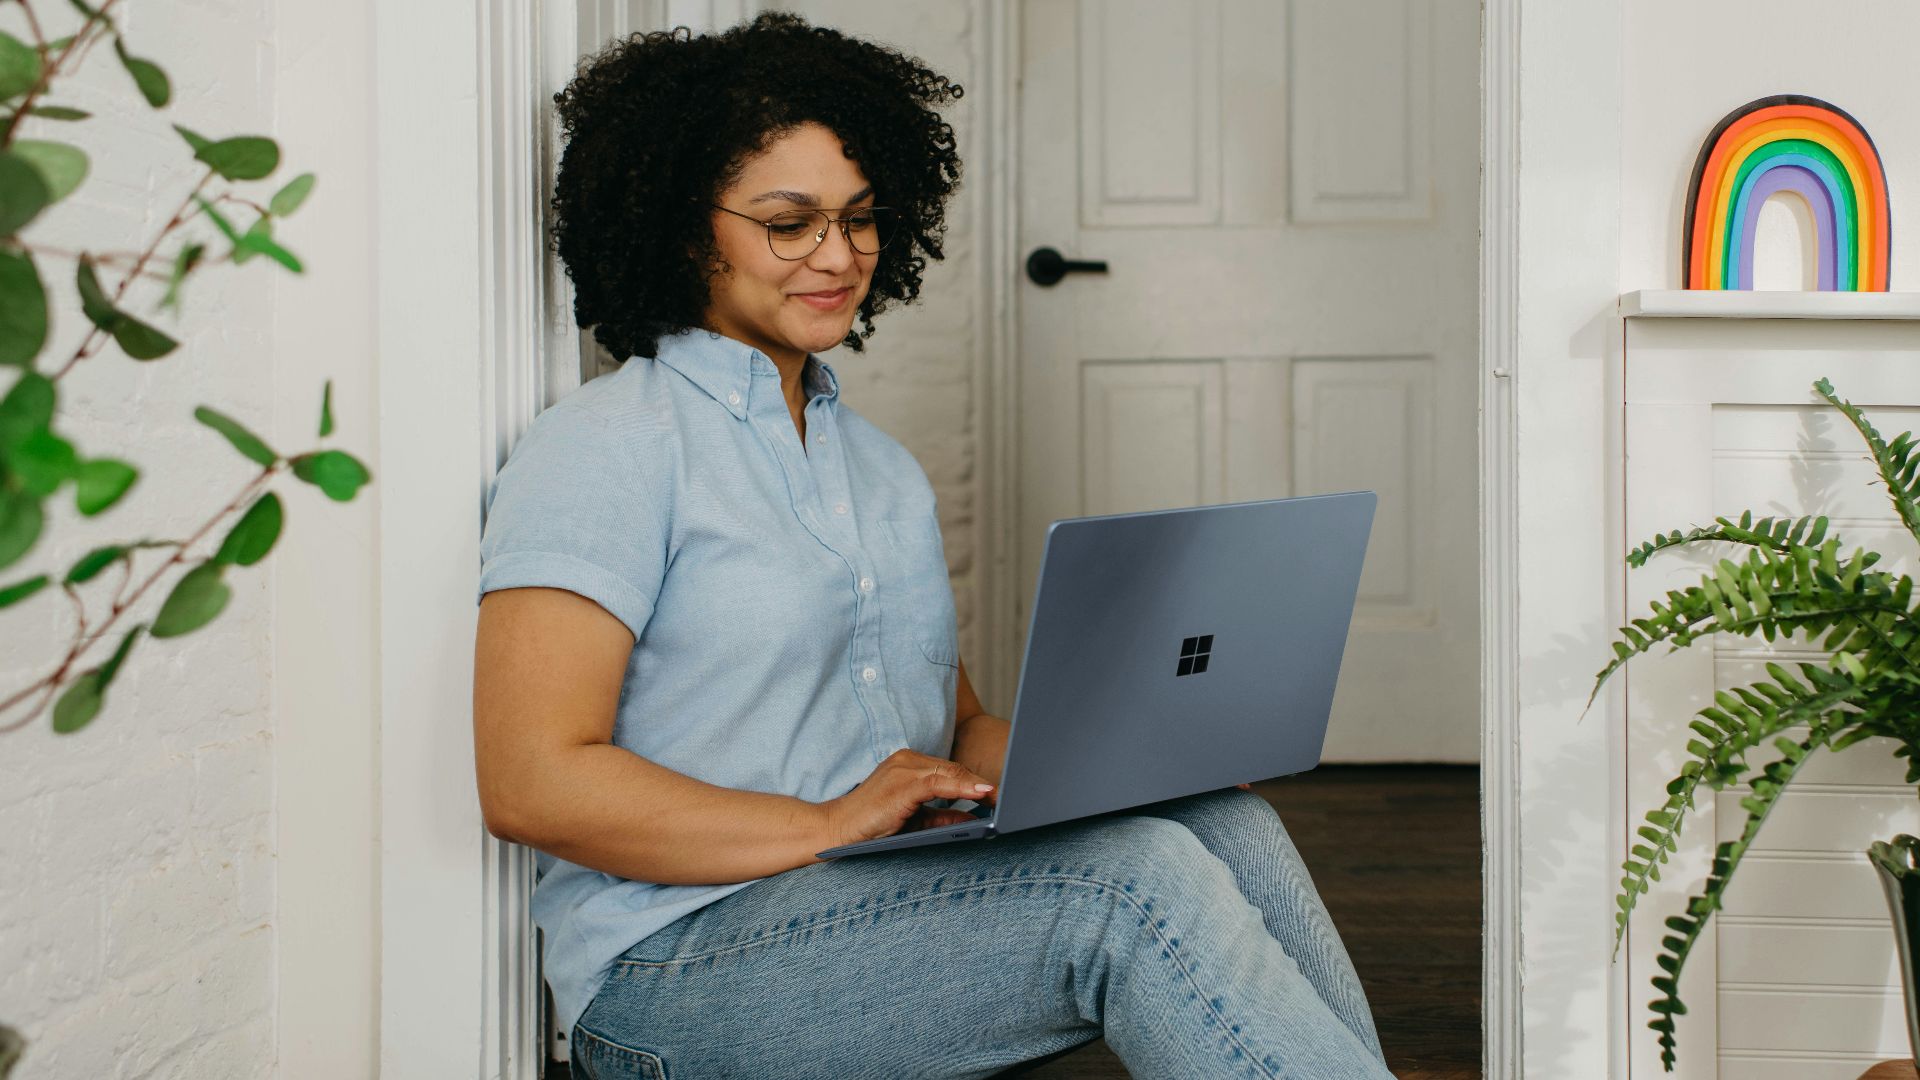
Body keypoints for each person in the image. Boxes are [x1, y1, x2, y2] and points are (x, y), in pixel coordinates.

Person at [471, 13, 1392, 1079]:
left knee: (1224, 832)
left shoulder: (880, 468)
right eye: (789, 222)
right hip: (677, 966)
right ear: (687, 231)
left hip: (870, 899)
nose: (838, 256)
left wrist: (1142, 766)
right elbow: (532, 782)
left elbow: (955, 729)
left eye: (860, 220)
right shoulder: (608, 446)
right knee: (1133, 885)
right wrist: (821, 821)